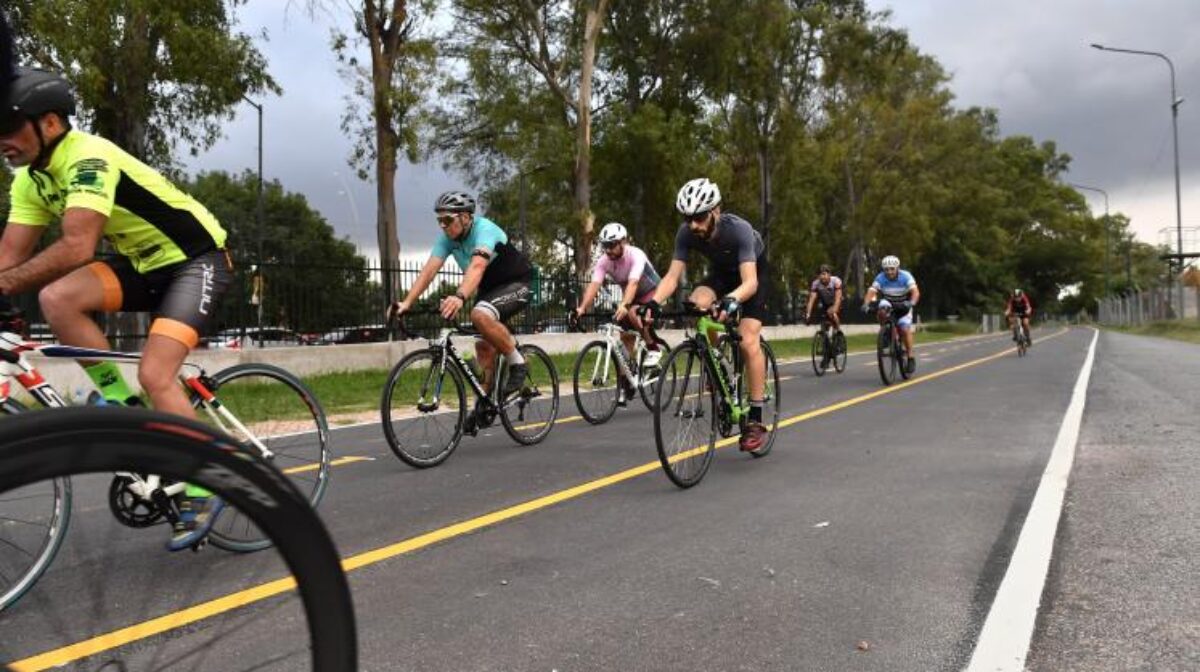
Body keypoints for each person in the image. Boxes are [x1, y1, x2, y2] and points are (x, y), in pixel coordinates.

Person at [0, 68, 234, 550]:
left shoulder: (88, 156)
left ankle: (202, 484)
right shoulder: (30, 180)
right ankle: (122, 406)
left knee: (157, 374)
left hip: (196, 260)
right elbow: (8, 258)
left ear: (48, 124)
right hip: (146, 265)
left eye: (8, 125)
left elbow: (78, 246)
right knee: (57, 298)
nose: (1, 140)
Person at [641, 177, 770, 452]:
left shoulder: (739, 231)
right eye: (688, 218)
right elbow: (672, 277)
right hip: (722, 275)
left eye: (699, 218)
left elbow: (750, 282)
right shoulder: (686, 232)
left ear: (715, 212)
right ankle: (719, 366)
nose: (693, 225)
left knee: (748, 340)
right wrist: (653, 303)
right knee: (696, 302)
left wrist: (731, 301)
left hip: (751, 274)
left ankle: (756, 418)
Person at [388, 191, 533, 432]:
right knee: (483, 347)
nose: (443, 226)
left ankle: (518, 362)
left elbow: (477, 266)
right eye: (439, 221)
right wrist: (407, 303)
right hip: (490, 289)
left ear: (465, 217)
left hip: (518, 282)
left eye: (447, 220)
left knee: (479, 315)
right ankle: (484, 405)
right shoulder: (447, 240)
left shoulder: (484, 229)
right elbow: (429, 271)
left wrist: (459, 296)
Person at [574, 222, 663, 405]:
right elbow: (594, 285)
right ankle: (626, 385)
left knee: (632, 312)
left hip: (652, 293)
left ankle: (653, 348)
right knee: (625, 340)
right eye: (605, 245)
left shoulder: (635, 255)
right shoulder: (604, 261)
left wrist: (625, 304)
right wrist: (582, 308)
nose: (609, 250)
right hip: (630, 297)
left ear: (624, 241)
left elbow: (633, 283)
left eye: (612, 245)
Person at [862, 255, 920, 374]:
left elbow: (915, 292)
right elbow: (871, 291)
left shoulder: (906, 276)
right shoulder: (880, 277)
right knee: (881, 310)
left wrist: (912, 302)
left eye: (892, 269)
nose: (889, 272)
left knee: (904, 328)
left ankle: (910, 357)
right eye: (886, 269)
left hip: (904, 305)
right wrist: (866, 304)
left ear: (897, 268)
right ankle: (886, 332)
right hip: (889, 302)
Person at [805, 264, 843, 332]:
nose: (822, 277)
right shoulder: (816, 284)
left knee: (832, 314)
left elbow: (838, 298)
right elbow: (811, 300)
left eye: (824, 274)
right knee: (824, 325)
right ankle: (826, 338)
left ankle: (838, 331)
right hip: (825, 303)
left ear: (829, 274)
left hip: (836, 302)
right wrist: (808, 315)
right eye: (820, 274)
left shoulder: (836, 281)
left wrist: (834, 309)